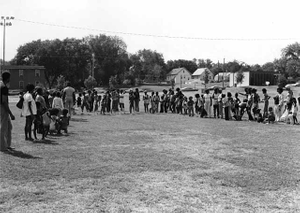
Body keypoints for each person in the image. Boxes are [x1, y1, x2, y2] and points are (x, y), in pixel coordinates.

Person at [0, 72, 15, 152]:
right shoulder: (4, 87)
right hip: (3, 108)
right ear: (8, 78)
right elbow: (4, 101)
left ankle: (7, 145)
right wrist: (11, 113)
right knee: (3, 127)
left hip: (2, 108)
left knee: (9, 127)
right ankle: (2, 146)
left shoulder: (1, 84)